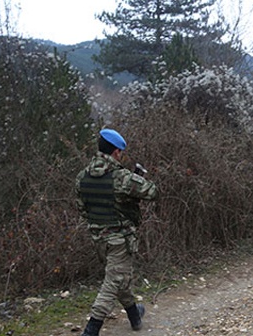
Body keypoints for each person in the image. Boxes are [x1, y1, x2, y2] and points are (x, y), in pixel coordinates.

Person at [75, 129, 159, 336]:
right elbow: (152, 192)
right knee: (113, 282)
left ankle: (134, 315)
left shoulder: (82, 177)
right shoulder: (122, 178)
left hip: (98, 239)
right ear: (115, 152)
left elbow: (82, 208)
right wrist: (134, 180)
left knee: (119, 277)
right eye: (120, 152)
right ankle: (91, 330)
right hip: (120, 239)